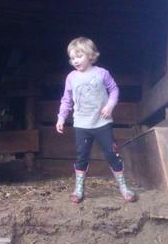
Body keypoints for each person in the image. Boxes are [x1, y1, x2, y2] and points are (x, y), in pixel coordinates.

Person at [55, 37, 136, 204]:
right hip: (82, 124)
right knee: (81, 156)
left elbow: (114, 89)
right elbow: (66, 99)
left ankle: (123, 187)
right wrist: (61, 117)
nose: (75, 60)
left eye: (79, 56)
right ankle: (79, 189)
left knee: (111, 154)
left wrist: (110, 105)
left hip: (102, 123)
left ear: (91, 56)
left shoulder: (102, 73)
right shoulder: (71, 77)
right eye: (72, 58)